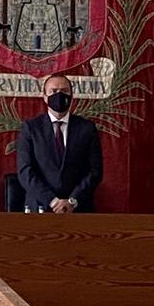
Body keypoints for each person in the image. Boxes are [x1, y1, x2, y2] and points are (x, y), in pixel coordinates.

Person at [16, 70, 102, 213]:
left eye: (64, 91)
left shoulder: (87, 128)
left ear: (72, 96)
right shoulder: (31, 128)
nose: (59, 95)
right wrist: (53, 201)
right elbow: (25, 171)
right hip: (39, 208)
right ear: (44, 97)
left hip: (78, 209)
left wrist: (72, 201)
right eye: (53, 91)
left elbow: (95, 171)